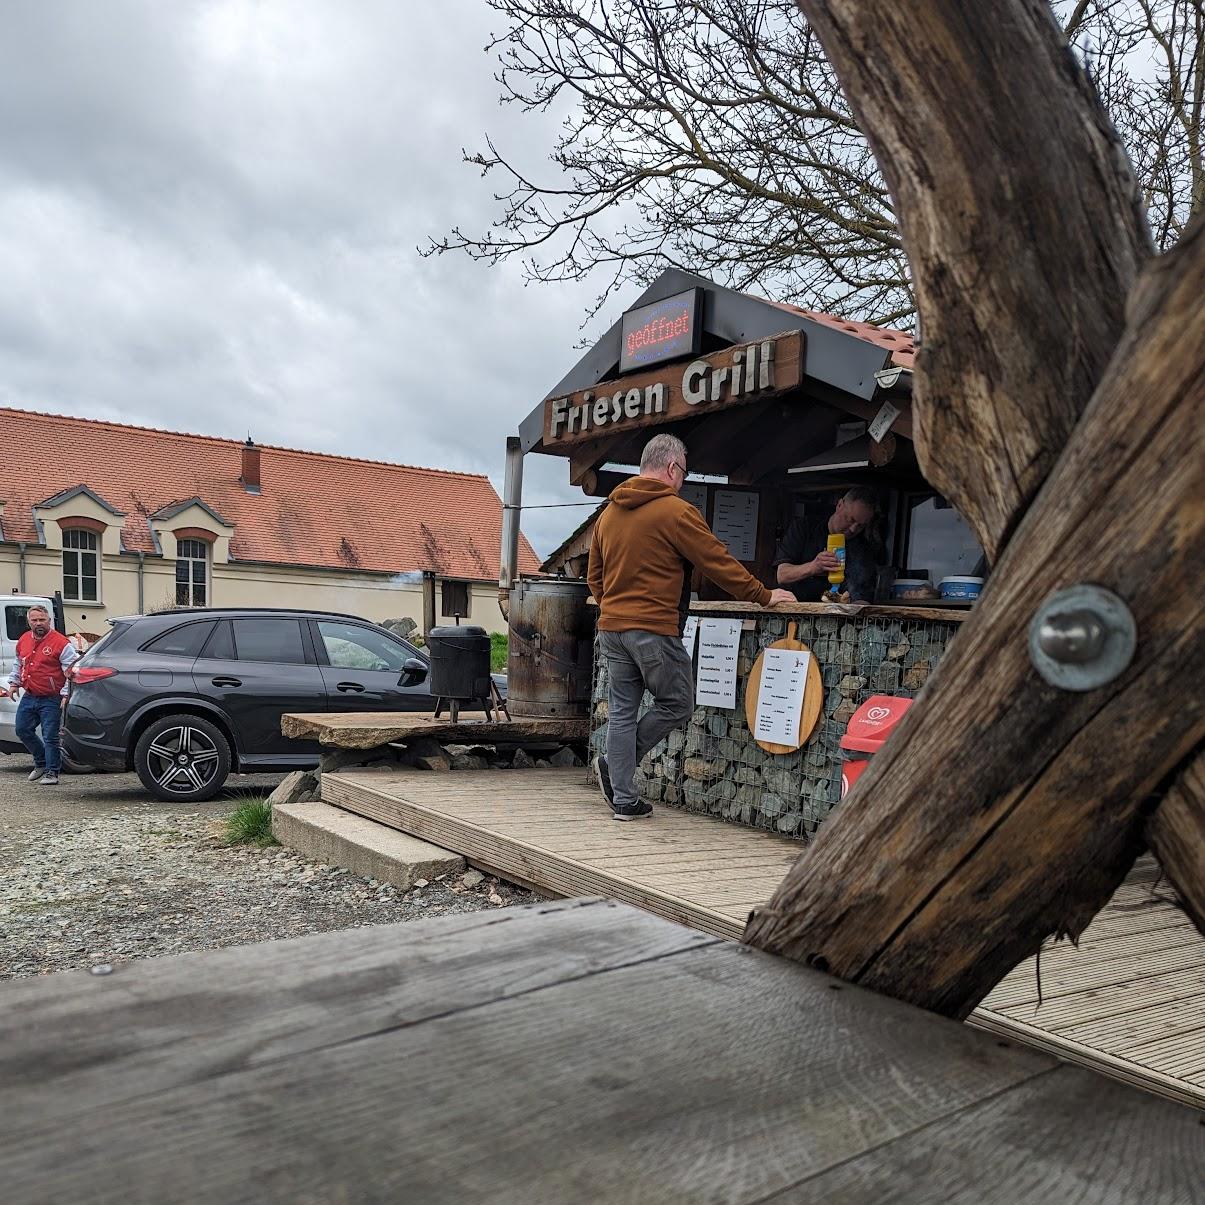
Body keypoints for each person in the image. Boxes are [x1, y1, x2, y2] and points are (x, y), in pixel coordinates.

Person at [587, 433, 794, 820]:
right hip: (653, 628)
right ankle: (619, 773)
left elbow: (594, 577)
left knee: (621, 713)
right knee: (679, 704)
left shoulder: (609, 514)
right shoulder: (676, 512)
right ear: (671, 468)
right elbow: (718, 562)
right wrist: (765, 595)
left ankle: (624, 797)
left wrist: (613, 606)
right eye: (684, 471)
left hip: (612, 628)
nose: (683, 480)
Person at [1, 604, 78, 786]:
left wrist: (66, 694)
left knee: (49, 736)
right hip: (30, 694)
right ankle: (42, 762)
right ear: (29, 622)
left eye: (42, 620)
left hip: (52, 697)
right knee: (22, 729)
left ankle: (52, 772)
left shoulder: (61, 643)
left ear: (49, 621)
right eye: (34, 620)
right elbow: (19, 663)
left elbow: (71, 670)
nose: (38, 623)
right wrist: (14, 684)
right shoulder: (24, 639)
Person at [772, 487, 879, 603]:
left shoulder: (863, 547)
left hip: (837, 615)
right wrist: (813, 567)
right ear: (839, 505)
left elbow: (864, 596)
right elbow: (782, 575)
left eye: (860, 526)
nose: (853, 529)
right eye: (850, 519)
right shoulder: (804, 527)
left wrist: (854, 605)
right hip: (795, 609)